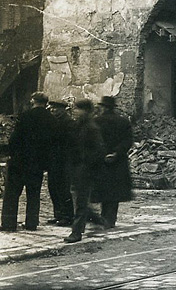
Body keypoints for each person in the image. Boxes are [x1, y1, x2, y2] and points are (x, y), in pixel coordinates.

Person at [1, 92, 55, 232]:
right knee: (33, 194)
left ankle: (8, 223)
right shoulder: (51, 119)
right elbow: (51, 144)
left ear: (33, 101)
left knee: (12, 194)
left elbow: (15, 139)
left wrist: (11, 154)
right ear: (45, 103)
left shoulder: (26, 116)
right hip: (37, 163)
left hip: (20, 161)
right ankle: (31, 224)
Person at [64, 99, 106, 243]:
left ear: (86, 111)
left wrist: (86, 164)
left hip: (84, 170)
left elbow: (99, 151)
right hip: (76, 168)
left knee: (80, 201)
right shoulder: (79, 125)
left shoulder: (91, 127)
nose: (75, 111)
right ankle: (96, 219)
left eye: (78, 109)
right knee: (79, 200)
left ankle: (76, 232)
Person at [92, 96, 134, 228]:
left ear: (104, 107)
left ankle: (103, 218)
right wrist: (116, 153)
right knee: (114, 192)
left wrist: (103, 154)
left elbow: (94, 141)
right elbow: (128, 141)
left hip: (101, 161)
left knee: (103, 189)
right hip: (118, 161)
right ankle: (110, 219)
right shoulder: (123, 122)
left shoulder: (96, 121)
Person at [47, 100, 75, 226]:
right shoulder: (54, 121)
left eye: (56, 109)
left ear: (63, 109)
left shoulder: (69, 123)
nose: (53, 111)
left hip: (64, 161)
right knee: (53, 187)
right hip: (54, 160)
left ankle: (67, 216)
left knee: (63, 188)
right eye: (52, 108)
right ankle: (58, 214)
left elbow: (70, 144)